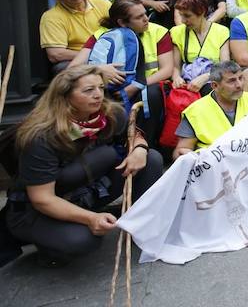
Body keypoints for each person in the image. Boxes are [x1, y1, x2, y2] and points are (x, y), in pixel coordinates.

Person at [4, 66, 163, 265]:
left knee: (152, 159)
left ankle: (138, 224)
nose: (98, 95)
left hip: (87, 191)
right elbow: (42, 199)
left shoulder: (109, 114)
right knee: (83, 240)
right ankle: (47, 245)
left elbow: (131, 134)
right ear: (64, 96)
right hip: (39, 209)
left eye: (101, 88)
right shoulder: (41, 137)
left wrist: (139, 148)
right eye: (88, 90)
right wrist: (90, 219)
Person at [71, 0, 174, 147]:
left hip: (148, 85)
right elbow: (72, 69)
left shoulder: (158, 31)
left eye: (146, 14)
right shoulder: (102, 35)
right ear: (122, 22)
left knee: (151, 94)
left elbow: (167, 70)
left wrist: (135, 86)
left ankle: (145, 145)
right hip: (111, 87)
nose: (146, 19)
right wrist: (99, 69)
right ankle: (104, 145)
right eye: (139, 17)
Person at [173, 61, 248, 156]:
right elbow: (181, 151)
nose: (239, 85)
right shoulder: (195, 112)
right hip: (214, 166)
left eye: (241, 78)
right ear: (215, 86)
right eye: (232, 81)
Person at [40, 0, 111, 73]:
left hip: (111, 54)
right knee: (65, 68)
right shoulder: (51, 17)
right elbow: (55, 54)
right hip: (81, 61)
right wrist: (95, 57)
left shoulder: (102, 3)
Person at [170, 0, 231, 95]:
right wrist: (176, 78)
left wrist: (205, 77)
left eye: (188, 16)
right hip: (187, 81)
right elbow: (176, 67)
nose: (183, 20)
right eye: (181, 16)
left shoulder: (221, 31)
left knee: (210, 89)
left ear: (202, 12)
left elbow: (224, 65)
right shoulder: (176, 32)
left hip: (214, 79)